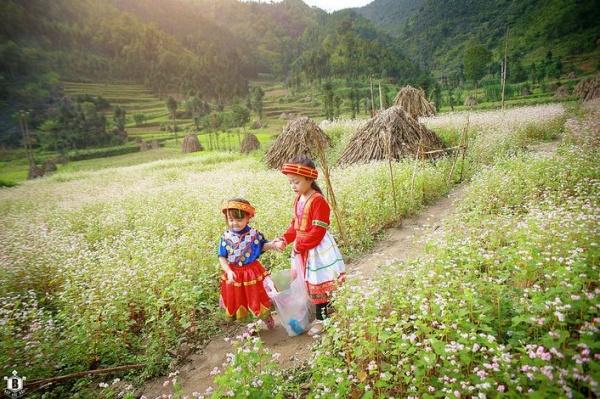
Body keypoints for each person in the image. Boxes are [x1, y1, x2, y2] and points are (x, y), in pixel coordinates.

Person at [272, 156, 346, 335]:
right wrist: (284, 239)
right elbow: (294, 225)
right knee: (308, 282)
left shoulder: (318, 200)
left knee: (319, 282)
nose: (293, 186)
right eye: (290, 183)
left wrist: (301, 245)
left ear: (310, 179)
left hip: (316, 249)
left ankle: (323, 319)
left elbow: (318, 231)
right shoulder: (298, 199)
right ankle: (322, 312)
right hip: (303, 247)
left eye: (296, 182)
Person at [218, 198, 277, 330]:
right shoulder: (225, 237)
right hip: (235, 273)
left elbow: (262, 247)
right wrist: (228, 271)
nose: (235, 223)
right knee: (241, 299)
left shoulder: (254, 234)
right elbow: (222, 257)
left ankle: (265, 316)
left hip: (252, 272)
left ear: (248, 218)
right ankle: (250, 325)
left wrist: (272, 245)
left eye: (239, 220)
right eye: (231, 220)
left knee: (257, 295)